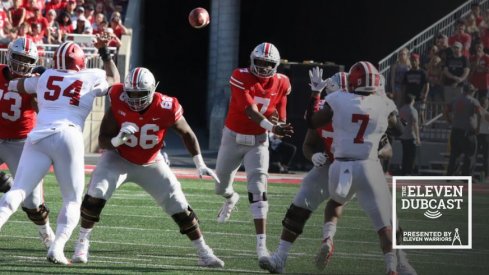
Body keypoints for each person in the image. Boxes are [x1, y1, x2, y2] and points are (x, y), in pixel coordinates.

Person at [70, 67, 224, 268]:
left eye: (140, 94)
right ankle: (81, 243)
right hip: (119, 158)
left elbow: (186, 133)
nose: (134, 99)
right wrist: (117, 141)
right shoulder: (117, 96)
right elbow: (102, 139)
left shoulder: (166, 105)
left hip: (151, 161)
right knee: (95, 194)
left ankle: (204, 251)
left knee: (179, 205)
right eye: (130, 93)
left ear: (152, 90)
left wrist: (199, 162)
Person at [0, 38, 120, 265]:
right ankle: (57, 247)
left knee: (17, 192)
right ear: (81, 63)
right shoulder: (91, 75)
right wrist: (105, 54)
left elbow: (15, 85)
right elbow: (115, 80)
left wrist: (41, 76)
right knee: (72, 201)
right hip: (68, 136)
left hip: (38, 136)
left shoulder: (44, 78)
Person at [308, 61, 408, 274]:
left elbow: (313, 121)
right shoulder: (383, 103)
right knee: (384, 226)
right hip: (369, 167)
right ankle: (391, 266)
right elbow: (399, 130)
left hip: (342, 165)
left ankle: (328, 238)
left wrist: (316, 94)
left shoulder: (337, 99)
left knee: (335, 203)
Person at [259, 67, 348, 274]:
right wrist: (313, 156)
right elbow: (308, 143)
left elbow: (386, 146)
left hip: (359, 165)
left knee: (382, 215)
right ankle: (280, 257)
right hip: (331, 165)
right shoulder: (324, 108)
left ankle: (399, 262)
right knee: (300, 202)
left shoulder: (363, 110)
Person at [213, 42, 293, 259]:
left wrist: (281, 124)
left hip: (258, 141)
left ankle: (261, 247)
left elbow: (280, 109)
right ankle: (231, 198)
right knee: (220, 187)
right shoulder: (240, 76)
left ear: (275, 65)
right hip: (233, 137)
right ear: (252, 60)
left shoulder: (282, 82)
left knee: (258, 187)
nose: (264, 67)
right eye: (260, 62)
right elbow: (250, 110)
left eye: (268, 63)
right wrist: (273, 126)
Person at [0, 37, 55, 249]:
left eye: (27, 60)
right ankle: (7, 185)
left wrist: (39, 99)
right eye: (19, 59)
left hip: (21, 143)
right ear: (9, 56)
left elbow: (45, 111)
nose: (22, 65)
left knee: (32, 203)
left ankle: (46, 232)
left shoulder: (34, 82)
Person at [399, 94, 421, 175]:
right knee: (411, 155)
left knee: (405, 154)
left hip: (403, 135)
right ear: (412, 101)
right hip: (411, 135)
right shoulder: (413, 110)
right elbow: (415, 124)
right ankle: (409, 171)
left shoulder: (401, 109)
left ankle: (404, 170)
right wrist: (418, 137)